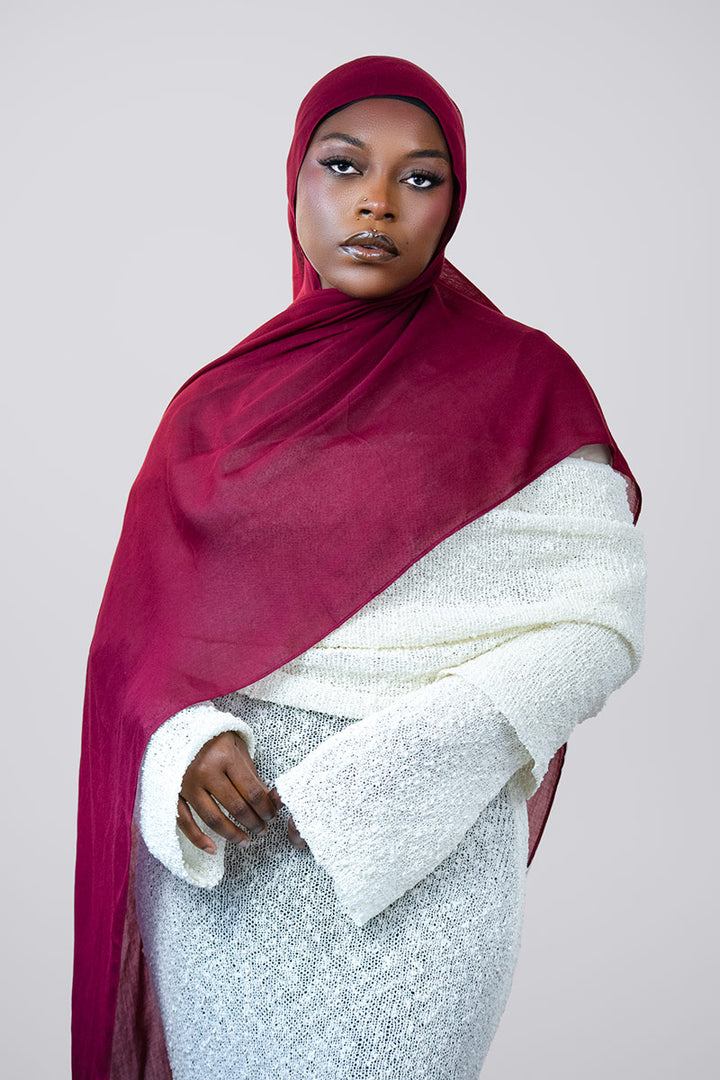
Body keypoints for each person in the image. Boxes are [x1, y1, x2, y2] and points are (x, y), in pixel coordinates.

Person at [72, 56, 646, 1080]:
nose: (377, 201)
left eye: (420, 178)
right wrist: (186, 742)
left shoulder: (528, 386)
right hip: (228, 874)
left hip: (423, 867)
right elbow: (138, 646)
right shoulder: (217, 408)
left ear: (454, 206)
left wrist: (376, 781)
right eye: (344, 167)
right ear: (296, 184)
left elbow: (596, 628)